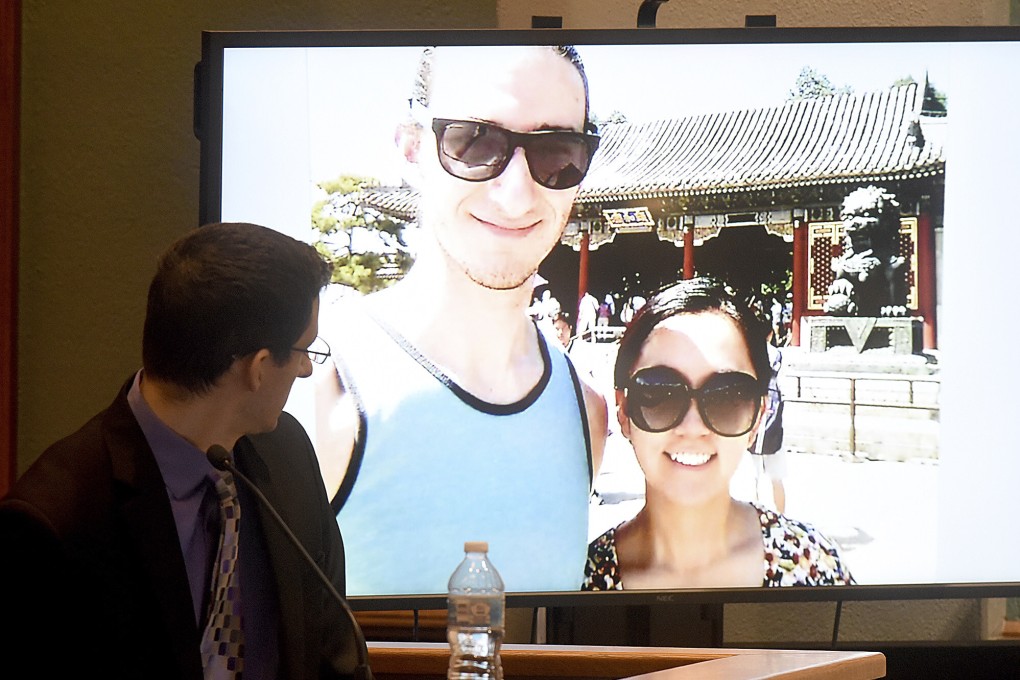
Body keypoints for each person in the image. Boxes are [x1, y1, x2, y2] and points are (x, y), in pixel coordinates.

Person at [0, 223, 363, 679]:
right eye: (303, 349)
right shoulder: (53, 521)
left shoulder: (287, 452)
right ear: (259, 368)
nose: (309, 369)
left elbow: (333, 652)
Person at [315, 45, 608, 596]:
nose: (518, 194)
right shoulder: (321, 391)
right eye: (475, 141)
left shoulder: (585, 413)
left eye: (557, 153)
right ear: (411, 149)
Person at [582, 277, 853, 590]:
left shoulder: (815, 568)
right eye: (659, 393)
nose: (693, 427)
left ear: (757, 417)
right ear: (624, 411)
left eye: (727, 397)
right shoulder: (580, 584)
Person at [751, 330, 788, 514]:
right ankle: (781, 518)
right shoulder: (778, 355)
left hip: (752, 421)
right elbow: (785, 387)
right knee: (776, 479)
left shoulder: (750, 353)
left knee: (751, 477)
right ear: (771, 333)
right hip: (773, 423)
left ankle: (754, 519)